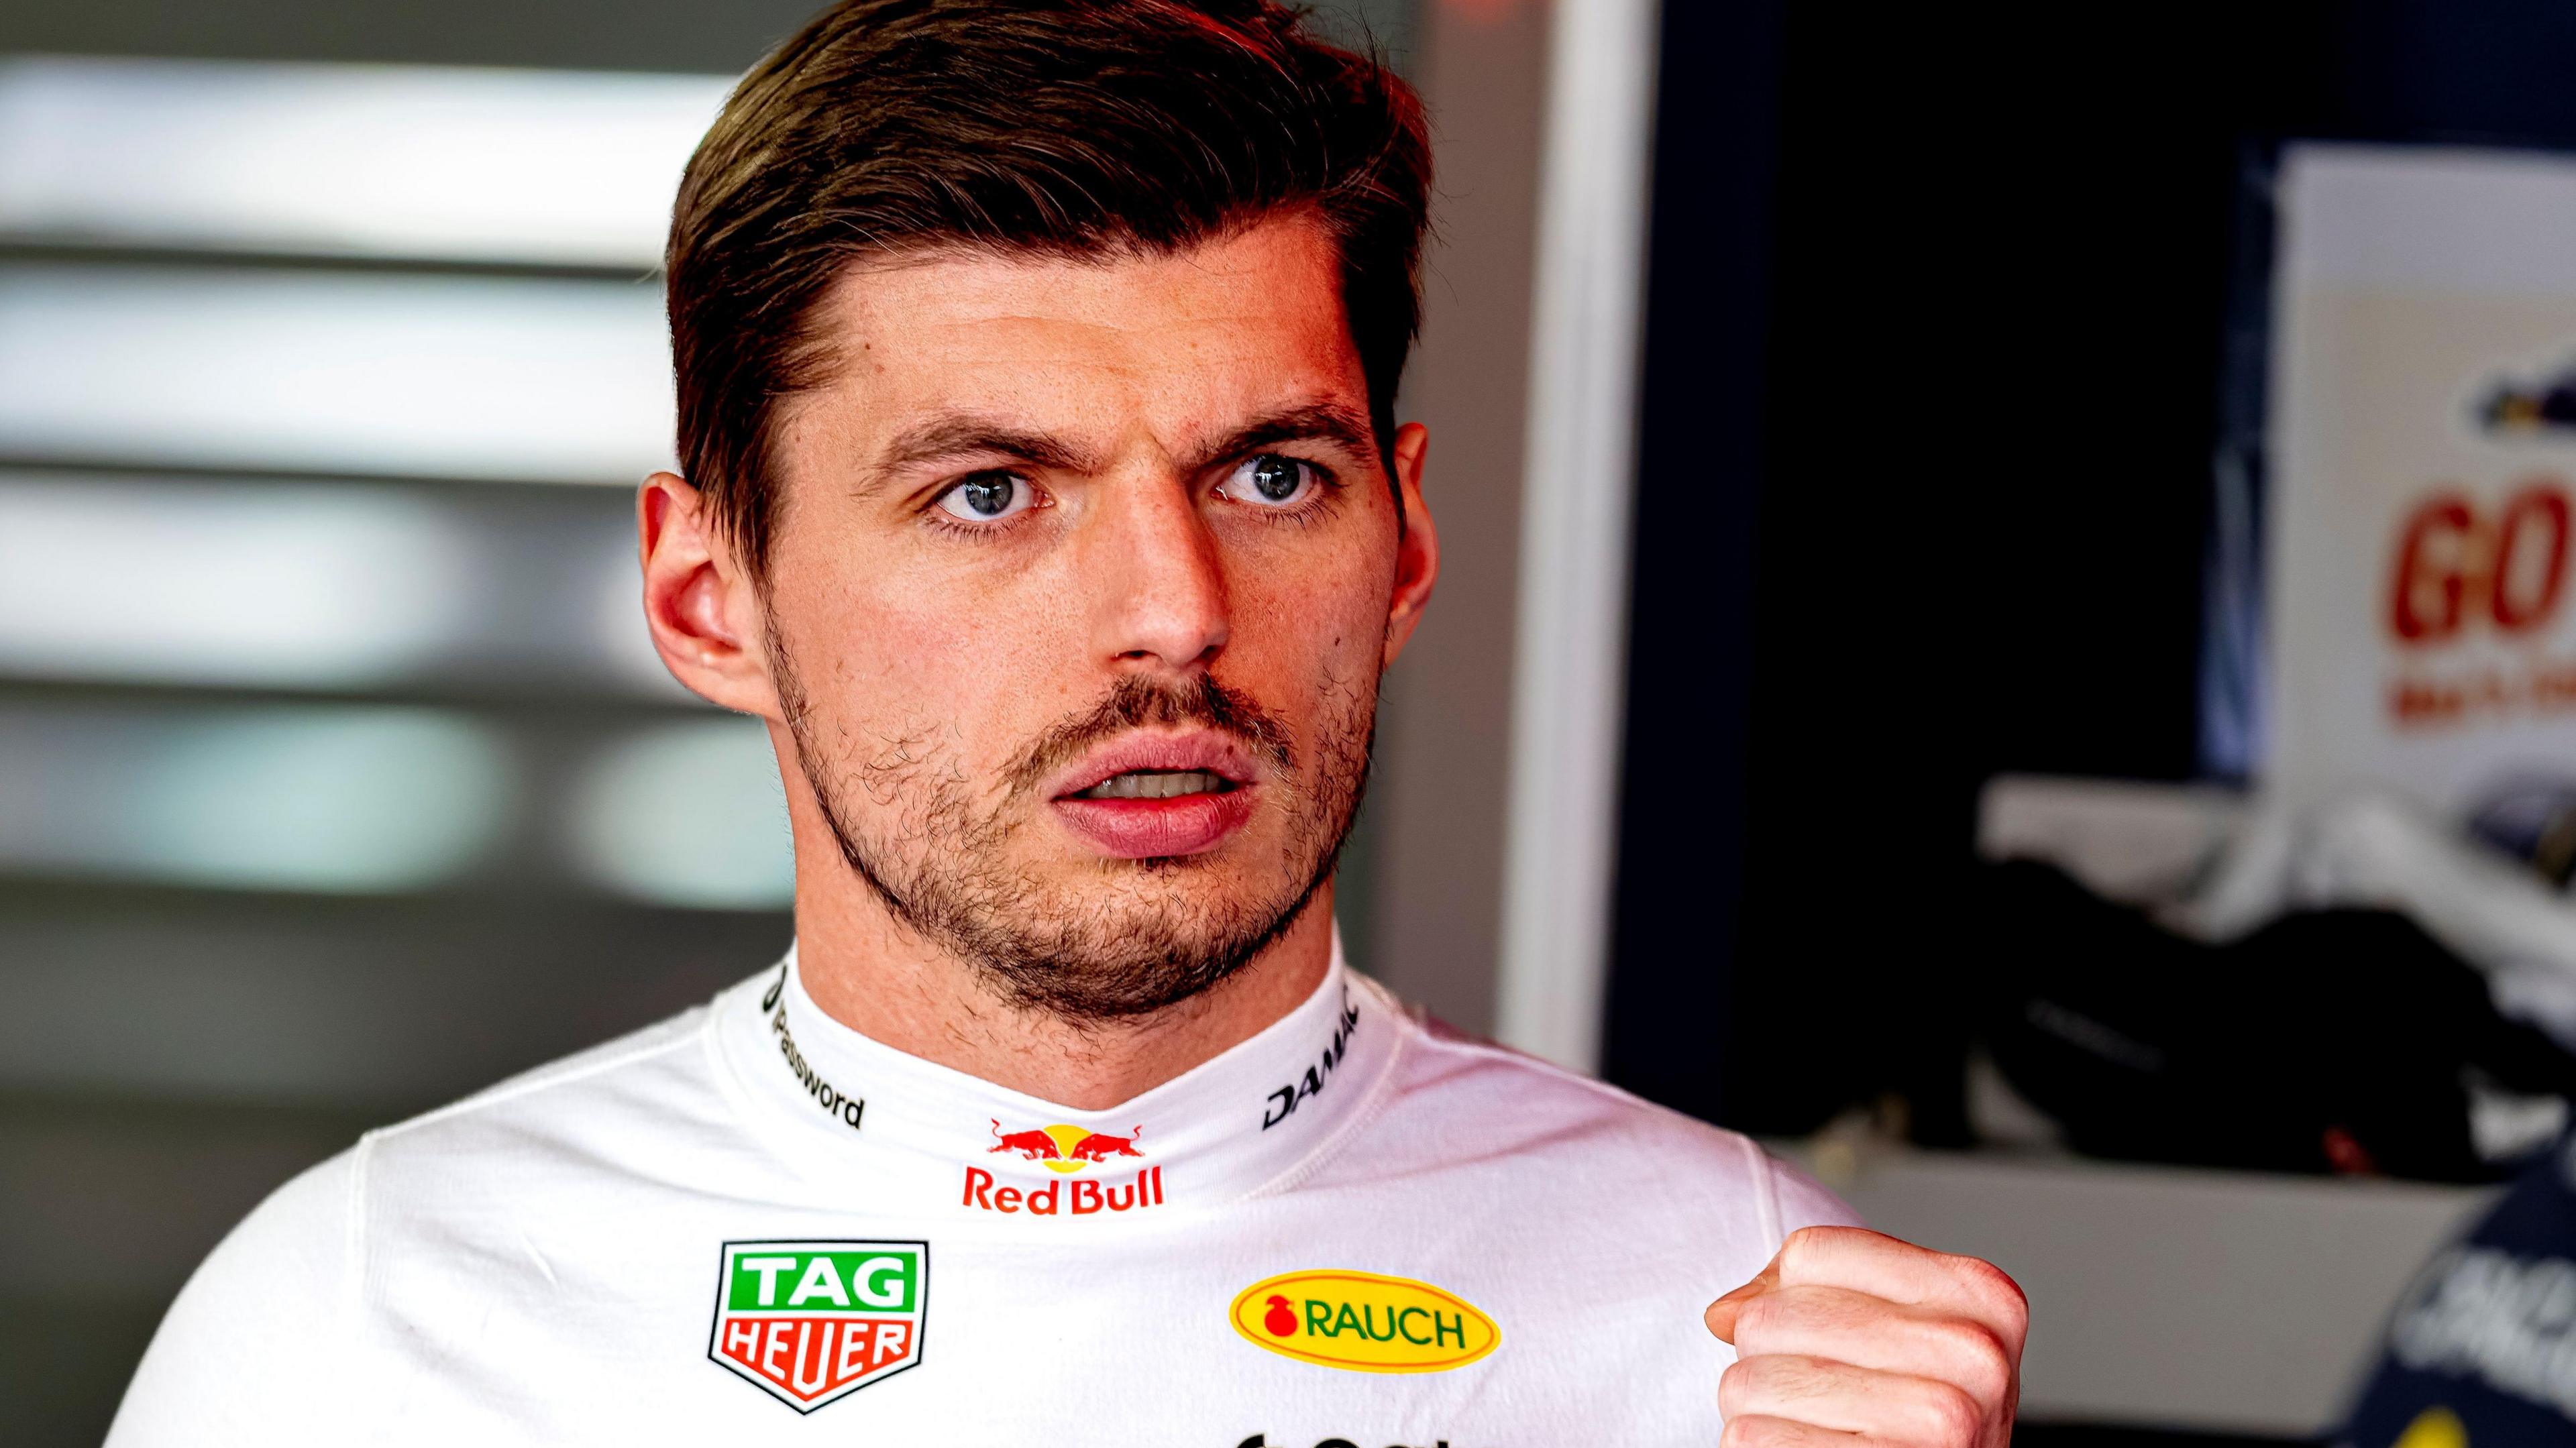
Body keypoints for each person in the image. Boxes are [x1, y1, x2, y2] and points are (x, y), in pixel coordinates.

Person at [107, 2, 2025, 1443]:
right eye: (990, 493)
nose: (1175, 612)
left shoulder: (1742, 1309)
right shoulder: (362, 1323)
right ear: (710, 599)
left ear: (1409, 540)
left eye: (1272, 477)